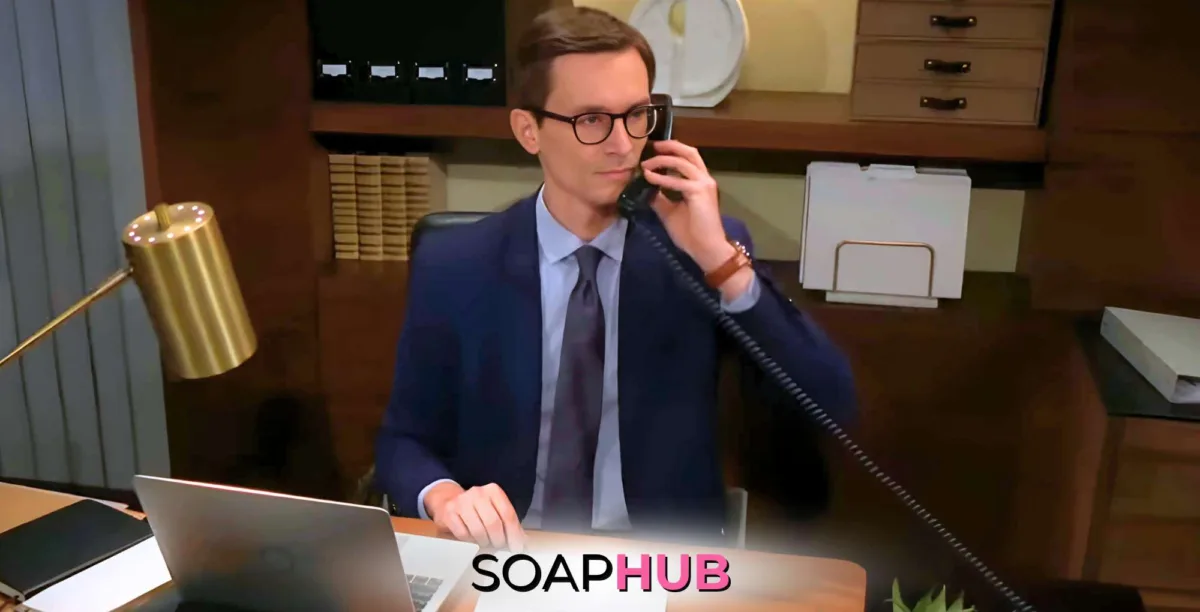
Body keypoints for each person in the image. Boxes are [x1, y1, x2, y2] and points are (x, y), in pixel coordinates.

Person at [375, 6, 856, 552]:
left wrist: (720, 262)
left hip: (657, 560)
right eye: (592, 120)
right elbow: (403, 441)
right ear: (529, 131)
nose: (623, 144)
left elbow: (830, 400)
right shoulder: (456, 263)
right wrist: (445, 498)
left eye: (637, 115)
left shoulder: (699, 254)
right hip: (506, 551)